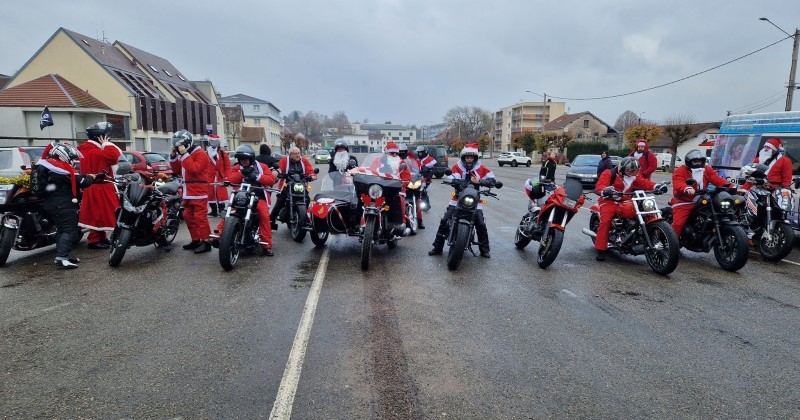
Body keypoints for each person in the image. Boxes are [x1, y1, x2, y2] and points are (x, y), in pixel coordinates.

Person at [428, 143, 497, 258]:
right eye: (467, 157)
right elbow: (452, 177)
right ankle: (437, 247)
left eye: (472, 157)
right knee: (445, 220)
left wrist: (480, 182)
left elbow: (492, 181)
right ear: (463, 157)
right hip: (457, 198)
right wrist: (454, 181)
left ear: (475, 158)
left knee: (480, 223)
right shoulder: (457, 167)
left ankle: (484, 249)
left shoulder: (481, 168)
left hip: (475, 200)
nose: (469, 159)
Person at [39, 143, 99, 268]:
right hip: (63, 204)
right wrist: (91, 177)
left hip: (51, 203)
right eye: (71, 158)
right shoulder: (61, 168)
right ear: (63, 155)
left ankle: (63, 255)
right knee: (70, 231)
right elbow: (82, 182)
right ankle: (62, 258)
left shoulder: (47, 165)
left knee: (61, 230)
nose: (73, 160)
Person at [213, 145, 276, 256]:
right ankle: (219, 235)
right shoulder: (237, 167)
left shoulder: (262, 166)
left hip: (258, 196)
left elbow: (270, 180)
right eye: (241, 159)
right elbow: (230, 178)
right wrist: (242, 173)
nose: (243, 161)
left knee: (264, 215)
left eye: (245, 159)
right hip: (240, 197)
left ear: (251, 158)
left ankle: (266, 245)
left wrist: (256, 176)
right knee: (229, 213)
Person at [593, 157, 658, 261]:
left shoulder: (633, 177)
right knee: (606, 221)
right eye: (629, 170)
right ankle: (601, 249)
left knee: (646, 212)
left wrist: (656, 186)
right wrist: (604, 191)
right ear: (622, 169)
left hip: (626, 200)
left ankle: (652, 238)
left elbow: (644, 182)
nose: (632, 173)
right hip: (609, 201)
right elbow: (600, 186)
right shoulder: (609, 173)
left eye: (635, 171)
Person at [77, 122, 122, 249]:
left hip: (93, 186)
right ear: (100, 137)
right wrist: (106, 144)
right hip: (101, 186)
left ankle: (100, 238)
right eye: (106, 136)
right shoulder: (97, 151)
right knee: (103, 214)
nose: (108, 138)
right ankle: (94, 240)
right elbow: (113, 157)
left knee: (98, 214)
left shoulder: (86, 149)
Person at [169, 129, 215, 253]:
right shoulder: (186, 154)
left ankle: (206, 242)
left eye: (180, 146)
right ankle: (196, 239)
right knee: (188, 215)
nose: (179, 148)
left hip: (198, 191)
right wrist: (174, 157)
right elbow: (178, 170)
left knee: (200, 217)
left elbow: (194, 169)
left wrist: (184, 155)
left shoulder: (200, 154)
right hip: (188, 191)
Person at [669, 149, 733, 238]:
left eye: (700, 161)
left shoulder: (707, 169)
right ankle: (672, 244)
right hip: (684, 201)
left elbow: (717, 179)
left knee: (719, 211)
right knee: (678, 224)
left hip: (702, 199)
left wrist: (731, 186)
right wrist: (687, 188)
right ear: (689, 161)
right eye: (695, 161)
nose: (698, 163)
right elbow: (678, 183)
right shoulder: (680, 171)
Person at [270, 146, 316, 230]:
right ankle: (271, 220)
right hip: (287, 184)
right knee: (281, 200)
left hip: (301, 185)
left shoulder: (304, 161)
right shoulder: (285, 160)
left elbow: (310, 170)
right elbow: (280, 168)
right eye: (296, 153)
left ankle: (304, 217)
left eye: (299, 153)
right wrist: (276, 172)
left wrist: (312, 175)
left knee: (307, 199)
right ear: (290, 155)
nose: (298, 155)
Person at [206, 134, 230, 217]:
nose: (214, 143)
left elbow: (227, 165)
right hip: (210, 176)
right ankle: (214, 211)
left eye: (216, 142)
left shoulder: (223, 154)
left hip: (220, 176)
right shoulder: (205, 153)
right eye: (212, 142)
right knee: (211, 194)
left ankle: (221, 210)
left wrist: (227, 176)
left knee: (221, 194)